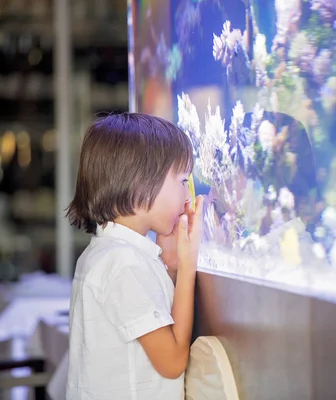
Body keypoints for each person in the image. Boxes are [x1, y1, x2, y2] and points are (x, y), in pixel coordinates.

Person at [64, 112, 203, 399]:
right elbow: (173, 363)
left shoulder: (109, 254)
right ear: (142, 184)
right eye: (181, 181)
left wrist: (171, 266)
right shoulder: (122, 264)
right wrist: (188, 265)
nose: (187, 196)